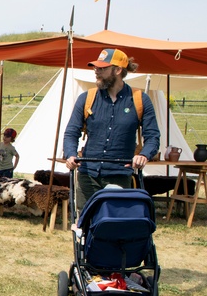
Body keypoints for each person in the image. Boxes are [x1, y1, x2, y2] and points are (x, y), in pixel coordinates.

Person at [63, 48, 160, 209]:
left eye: (102, 68)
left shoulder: (140, 100)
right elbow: (71, 132)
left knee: (115, 224)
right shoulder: (86, 98)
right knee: (86, 225)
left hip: (120, 176)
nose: (96, 71)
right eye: (95, 68)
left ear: (118, 70)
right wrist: (70, 154)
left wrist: (144, 155)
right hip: (88, 175)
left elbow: (153, 136)